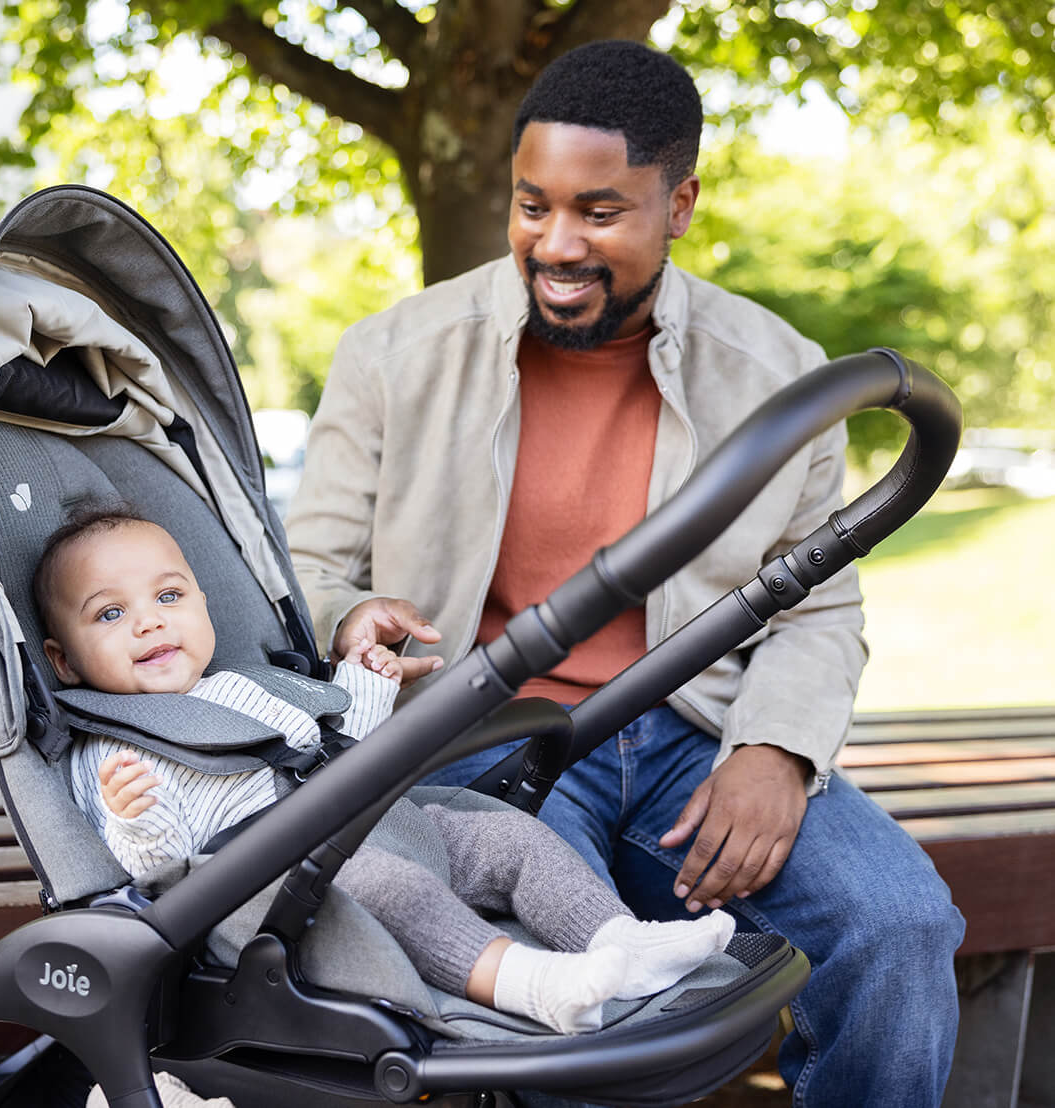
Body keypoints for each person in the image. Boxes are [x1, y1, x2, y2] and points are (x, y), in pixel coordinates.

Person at [284, 38, 964, 1108]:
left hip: (692, 733)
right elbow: (308, 570)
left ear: (679, 204)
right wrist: (351, 613)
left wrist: (778, 751)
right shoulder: (392, 355)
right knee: (588, 1017)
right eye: (532, 206)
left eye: (600, 213)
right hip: (484, 742)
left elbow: (820, 602)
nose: (556, 243)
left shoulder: (779, 375)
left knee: (899, 924)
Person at [33, 509, 737, 1037]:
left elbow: (339, 744)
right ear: (64, 661)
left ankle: (618, 940)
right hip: (274, 889)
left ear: (203, 605)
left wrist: (366, 681)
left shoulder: (244, 686)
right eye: (112, 613)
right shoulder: (111, 751)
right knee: (390, 888)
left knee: (505, 837)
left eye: (168, 598)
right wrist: (134, 815)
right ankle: (532, 984)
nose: (150, 625)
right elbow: (158, 871)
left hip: (369, 827)